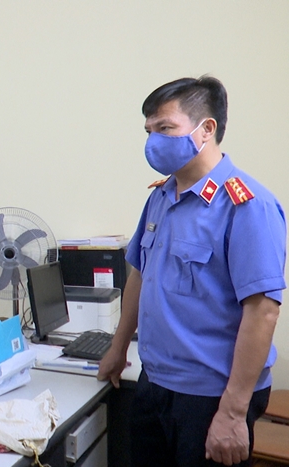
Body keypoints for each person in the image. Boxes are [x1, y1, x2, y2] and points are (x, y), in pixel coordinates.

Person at [98, 76, 285, 467]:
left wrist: (232, 413)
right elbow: (139, 275)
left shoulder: (247, 206)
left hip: (212, 396)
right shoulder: (161, 196)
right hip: (154, 381)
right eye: (149, 131)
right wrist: (118, 348)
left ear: (206, 129)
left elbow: (262, 311)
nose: (154, 141)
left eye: (165, 128)